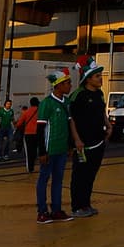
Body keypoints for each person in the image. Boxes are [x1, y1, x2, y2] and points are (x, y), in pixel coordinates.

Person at [68, 62, 112, 218]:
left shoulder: (99, 94)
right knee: (80, 175)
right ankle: (77, 206)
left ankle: (86, 204)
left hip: (98, 140)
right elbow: (71, 119)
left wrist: (108, 125)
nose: (101, 79)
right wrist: (76, 140)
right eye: (97, 76)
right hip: (83, 143)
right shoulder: (78, 95)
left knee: (91, 175)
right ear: (88, 79)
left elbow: (102, 112)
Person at [36, 70, 72, 223]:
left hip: (62, 149)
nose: (70, 86)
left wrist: (70, 145)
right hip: (49, 150)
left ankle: (56, 209)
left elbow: (70, 125)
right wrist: (42, 151)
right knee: (44, 179)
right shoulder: (46, 103)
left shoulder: (67, 102)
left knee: (58, 180)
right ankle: (42, 212)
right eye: (67, 83)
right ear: (58, 86)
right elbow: (39, 130)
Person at [16, 99, 41, 176]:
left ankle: (30, 167)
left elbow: (19, 124)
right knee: (39, 149)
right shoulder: (41, 111)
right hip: (39, 133)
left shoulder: (26, 112)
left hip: (28, 134)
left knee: (29, 151)